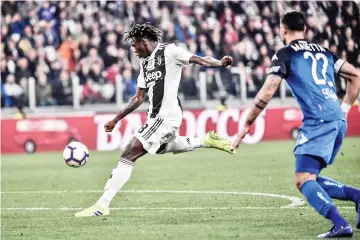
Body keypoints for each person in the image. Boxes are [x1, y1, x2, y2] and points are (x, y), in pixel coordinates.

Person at [76, 23, 235, 217]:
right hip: (155, 117)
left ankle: (102, 204)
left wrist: (219, 63)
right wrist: (116, 119)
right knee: (162, 148)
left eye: (135, 46)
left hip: (165, 117)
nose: (133, 50)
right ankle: (205, 140)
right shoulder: (144, 64)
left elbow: (198, 60)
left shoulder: (170, 51)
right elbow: (138, 98)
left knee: (129, 153)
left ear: (143, 43)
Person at [233, 11, 360, 238]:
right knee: (309, 177)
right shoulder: (325, 52)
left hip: (318, 121)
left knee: (303, 180)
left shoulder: (285, 53)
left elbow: (267, 91)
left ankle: (341, 224)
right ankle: (357, 196)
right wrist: (346, 108)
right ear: (305, 30)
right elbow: (355, 75)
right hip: (337, 120)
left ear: (282, 29)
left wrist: (246, 123)